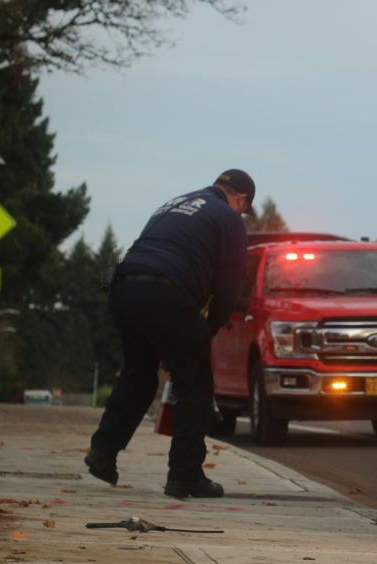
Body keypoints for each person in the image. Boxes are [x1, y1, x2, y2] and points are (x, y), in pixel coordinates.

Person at [85, 169, 253, 498]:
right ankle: (185, 475)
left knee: (138, 373)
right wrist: (205, 332)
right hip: (166, 293)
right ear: (242, 199)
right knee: (195, 383)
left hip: (124, 289)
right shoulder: (230, 218)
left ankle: (103, 452)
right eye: (244, 208)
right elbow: (229, 289)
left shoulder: (173, 204)